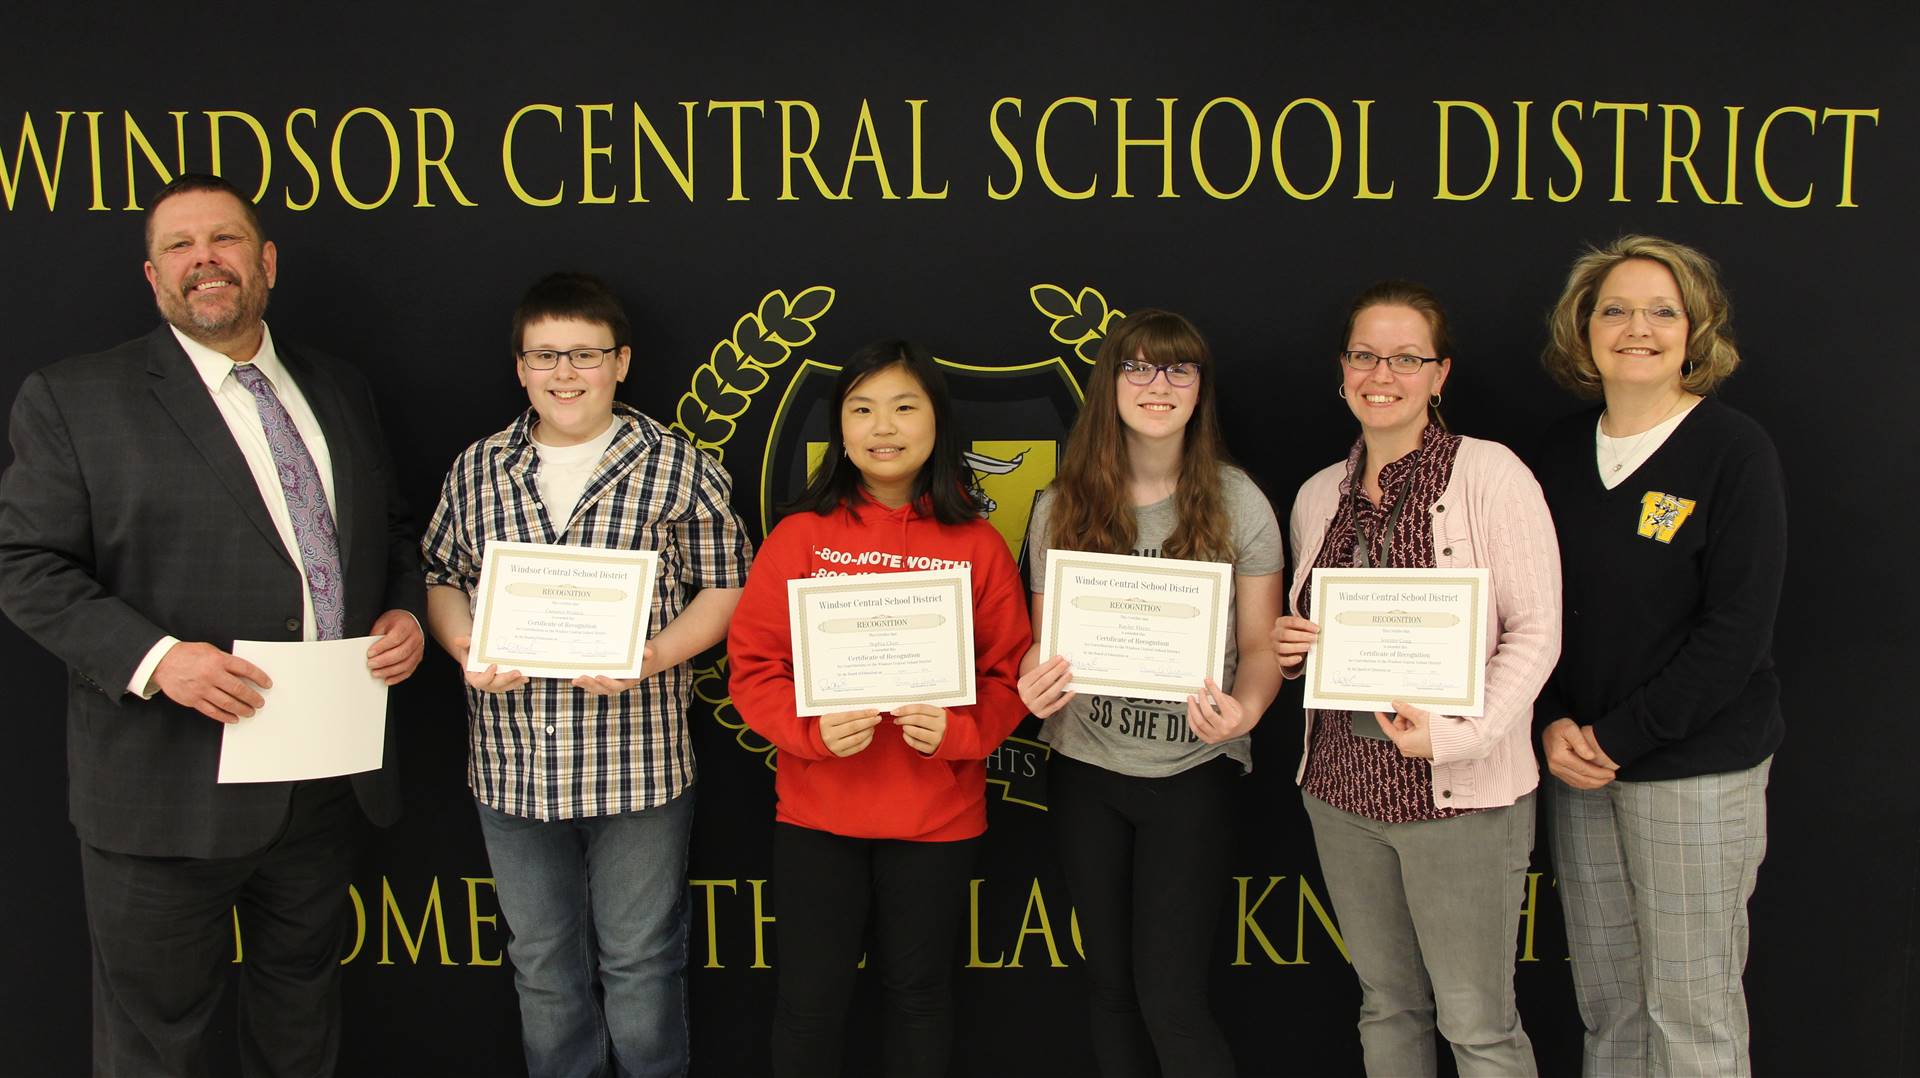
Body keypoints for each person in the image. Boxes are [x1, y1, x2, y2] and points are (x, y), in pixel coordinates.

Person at [0, 172, 426, 1075]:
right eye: (179, 248)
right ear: (153, 279)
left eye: (224, 241)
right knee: (158, 1044)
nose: (206, 262)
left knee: (300, 1025)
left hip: (317, 787)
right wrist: (157, 660)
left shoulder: (339, 388)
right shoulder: (76, 398)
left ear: (264, 261)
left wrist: (401, 608)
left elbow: (384, 531)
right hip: (163, 791)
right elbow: (25, 566)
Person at [419, 272, 751, 1078]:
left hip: (636, 768)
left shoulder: (677, 466)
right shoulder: (477, 469)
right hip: (512, 769)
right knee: (542, 970)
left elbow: (727, 587)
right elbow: (440, 576)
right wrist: (464, 645)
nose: (565, 374)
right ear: (520, 366)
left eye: (586, 355)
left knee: (640, 968)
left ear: (622, 362)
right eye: (545, 356)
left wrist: (656, 656)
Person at [1270, 281, 1561, 1077]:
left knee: (1478, 1025)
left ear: (1441, 375)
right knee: (1386, 1006)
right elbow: (1313, 633)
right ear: (1342, 370)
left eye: (1407, 358)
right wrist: (1293, 646)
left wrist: (1459, 736)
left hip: (1458, 799)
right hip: (1341, 792)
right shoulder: (1315, 495)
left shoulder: (1490, 475)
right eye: (1366, 355)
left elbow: (1537, 634)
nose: (1382, 373)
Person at [727, 339, 1030, 1077]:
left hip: (936, 817)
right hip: (817, 815)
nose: (882, 426)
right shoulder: (800, 537)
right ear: (840, 428)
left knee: (920, 997)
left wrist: (961, 733)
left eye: (903, 406)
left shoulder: (978, 545)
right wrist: (810, 730)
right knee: (808, 1003)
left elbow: (1009, 675)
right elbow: (753, 667)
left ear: (937, 423)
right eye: (861, 409)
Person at [1534, 236, 1785, 1077]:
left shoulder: (1732, 450)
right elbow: (1527, 612)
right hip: (1579, 769)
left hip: (1692, 769)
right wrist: (1552, 722)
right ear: (1584, 327)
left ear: (1695, 329)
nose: (1637, 327)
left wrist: (1622, 737)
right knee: (1610, 1009)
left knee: (1691, 1010)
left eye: (1661, 310)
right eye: (1615, 308)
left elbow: (1736, 632)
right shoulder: (1556, 457)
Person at [1017, 308, 1282, 1076]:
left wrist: (1249, 708)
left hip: (1191, 775)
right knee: (1107, 989)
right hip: (1085, 771)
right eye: (1137, 367)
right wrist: (1033, 683)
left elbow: (1263, 647)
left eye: (1178, 369)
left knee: (1171, 997)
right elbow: (1045, 642)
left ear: (1200, 390)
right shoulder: (1059, 503)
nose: (1157, 385)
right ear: (1110, 384)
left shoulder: (1239, 503)